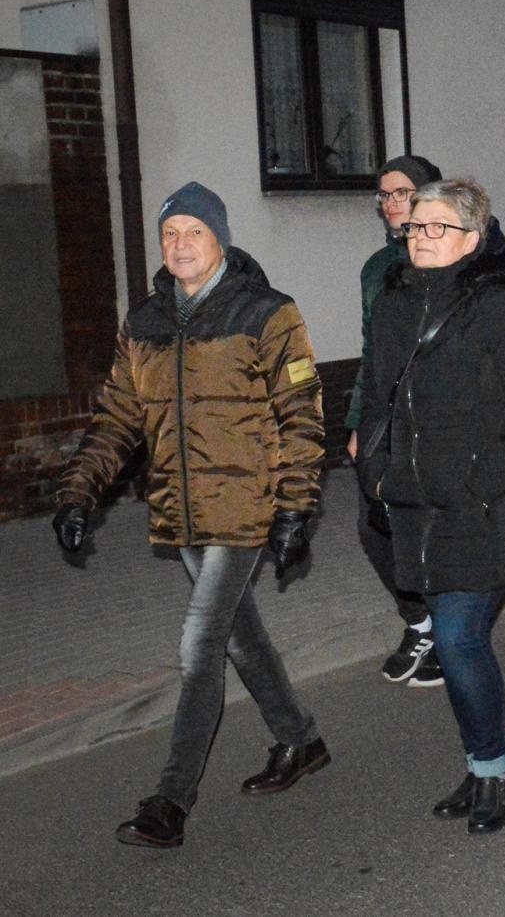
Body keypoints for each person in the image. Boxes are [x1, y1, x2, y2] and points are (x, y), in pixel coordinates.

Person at [52, 182, 328, 848]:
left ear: (220, 240)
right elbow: (118, 416)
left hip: (246, 503)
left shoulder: (267, 313)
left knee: (199, 644)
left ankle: (170, 802)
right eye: (170, 233)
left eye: (194, 233)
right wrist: (78, 492)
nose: (180, 245)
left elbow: (301, 414)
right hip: (181, 507)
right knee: (239, 636)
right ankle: (300, 740)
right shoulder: (144, 322)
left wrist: (295, 506)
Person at [357, 178, 505, 835]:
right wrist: (379, 476)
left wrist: (480, 483)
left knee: (457, 637)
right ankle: (481, 768)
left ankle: (494, 775)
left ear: (472, 240)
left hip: (482, 508)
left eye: (436, 227)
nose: (420, 238)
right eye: (414, 227)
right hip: (418, 504)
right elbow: (383, 399)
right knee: (455, 636)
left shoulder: (502, 306)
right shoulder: (393, 307)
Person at [347, 155, 447, 686]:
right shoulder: (374, 270)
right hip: (385, 416)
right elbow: (371, 350)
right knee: (374, 527)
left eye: (402, 192)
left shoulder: (449, 255)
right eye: (384, 195)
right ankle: (420, 621)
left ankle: (448, 635)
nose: (391, 203)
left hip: (436, 419)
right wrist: (359, 422)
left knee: (431, 530)